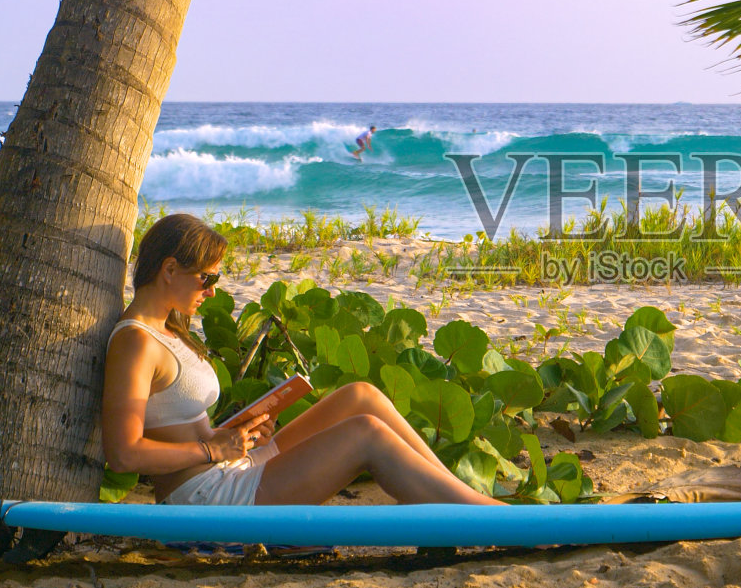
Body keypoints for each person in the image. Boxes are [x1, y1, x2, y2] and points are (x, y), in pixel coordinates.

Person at [101, 213, 500, 507]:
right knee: (365, 433)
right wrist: (213, 450)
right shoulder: (136, 342)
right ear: (170, 269)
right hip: (206, 497)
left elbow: (177, 423)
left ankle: (462, 499)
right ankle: (482, 514)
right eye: (208, 278)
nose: (212, 291)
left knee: (360, 396)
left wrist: (237, 435)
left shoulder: (168, 330)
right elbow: (124, 453)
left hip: (229, 468)